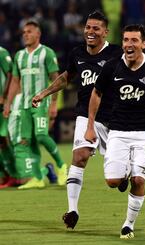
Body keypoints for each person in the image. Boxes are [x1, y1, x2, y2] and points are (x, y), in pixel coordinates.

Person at [32, 11, 122, 229]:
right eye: (88, 27)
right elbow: (66, 77)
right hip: (86, 115)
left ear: (105, 32)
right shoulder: (77, 53)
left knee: (116, 179)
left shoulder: (117, 53)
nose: (90, 32)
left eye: (96, 28)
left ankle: (124, 174)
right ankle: (72, 210)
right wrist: (44, 93)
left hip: (115, 119)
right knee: (80, 157)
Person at [84, 24, 145, 239]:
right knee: (112, 182)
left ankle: (128, 225)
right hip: (118, 132)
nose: (129, 44)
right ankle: (121, 176)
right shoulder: (112, 67)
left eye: (134, 40)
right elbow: (96, 93)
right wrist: (90, 125)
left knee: (139, 179)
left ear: (143, 44)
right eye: (125, 40)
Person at [3, 20, 67, 189]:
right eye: (24, 32)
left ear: (38, 34)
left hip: (41, 102)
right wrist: (9, 104)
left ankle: (61, 166)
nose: (26, 34)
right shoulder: (19, 55)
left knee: (41, 135)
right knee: (28, 140)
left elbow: (57, 80)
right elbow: (15, 82)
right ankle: (38, 178)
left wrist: (53, 105)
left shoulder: (47, 53)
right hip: (24, 104)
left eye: (29, 31)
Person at [0, 45, 16, 186]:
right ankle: (6, 174)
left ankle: (13, 173)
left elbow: (11, 75)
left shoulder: (1, 52)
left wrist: (4, 97)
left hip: (1, 104)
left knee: (4, 138)